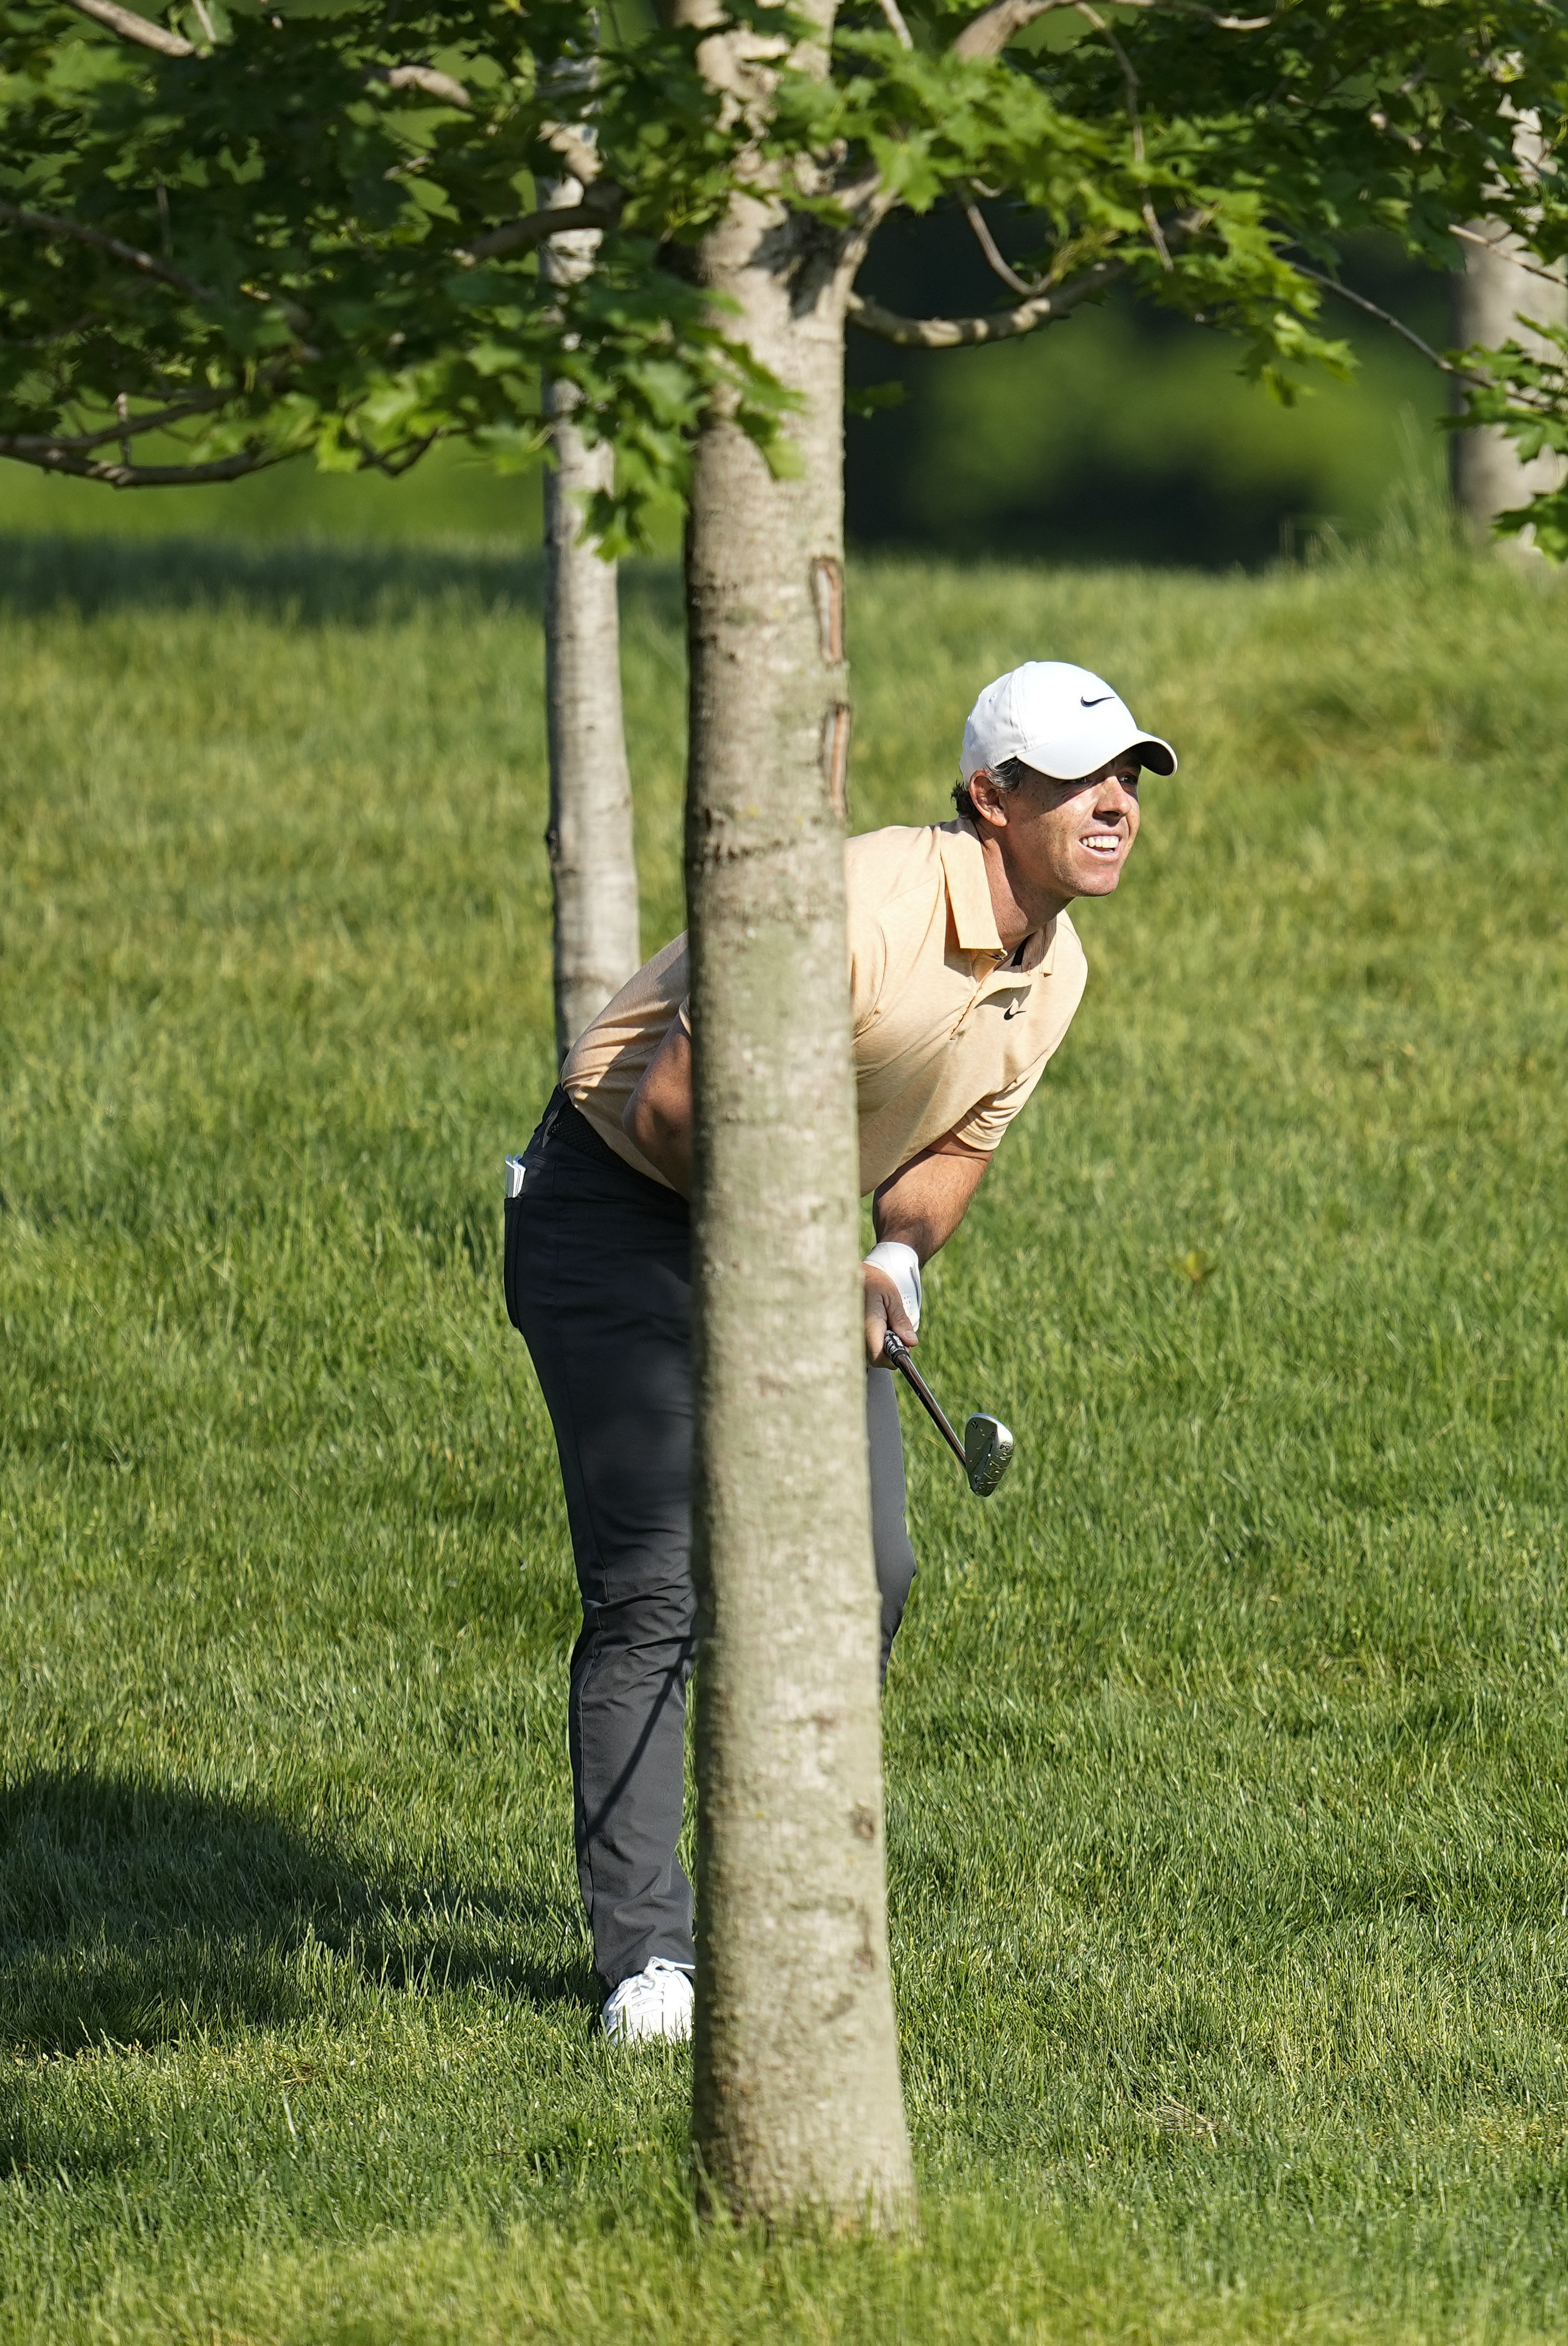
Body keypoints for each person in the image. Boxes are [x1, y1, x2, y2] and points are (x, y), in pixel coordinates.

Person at [501, 658, 1170, 2047]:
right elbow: (684, 1111)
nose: (1113, 806)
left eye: (1127, 781)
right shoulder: (854, 901)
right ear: (992, 798)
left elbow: (944, 1159)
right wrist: (807, 1260)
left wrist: (890, 1259)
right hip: (617, 1211)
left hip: (793, 1235)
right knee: (658, 1583)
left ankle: (784, 1904)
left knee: (867, 1567)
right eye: (1073, 784)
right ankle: (650, 1959)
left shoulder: (1058, 970)